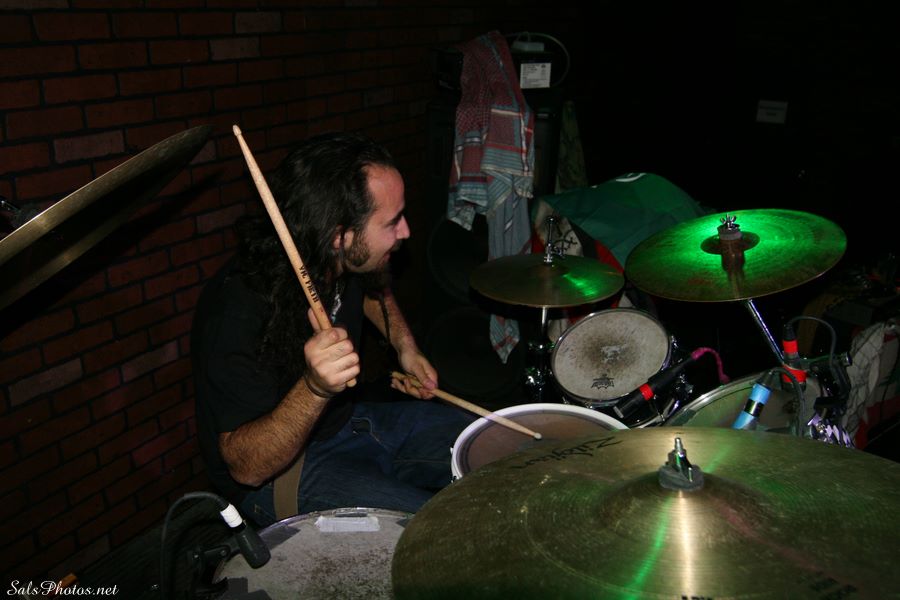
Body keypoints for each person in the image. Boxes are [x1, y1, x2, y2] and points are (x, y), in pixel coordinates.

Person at [192, 131, 473, 527]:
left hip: (347, 422)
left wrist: (405, 347)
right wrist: (315, 387)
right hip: (281, 473)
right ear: (340, 236)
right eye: (392, 222)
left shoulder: (338, 254)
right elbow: (246, 466)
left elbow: (372, 284)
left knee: (494, 445)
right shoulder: (238, 310)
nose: (406, 232)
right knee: (438, 529)